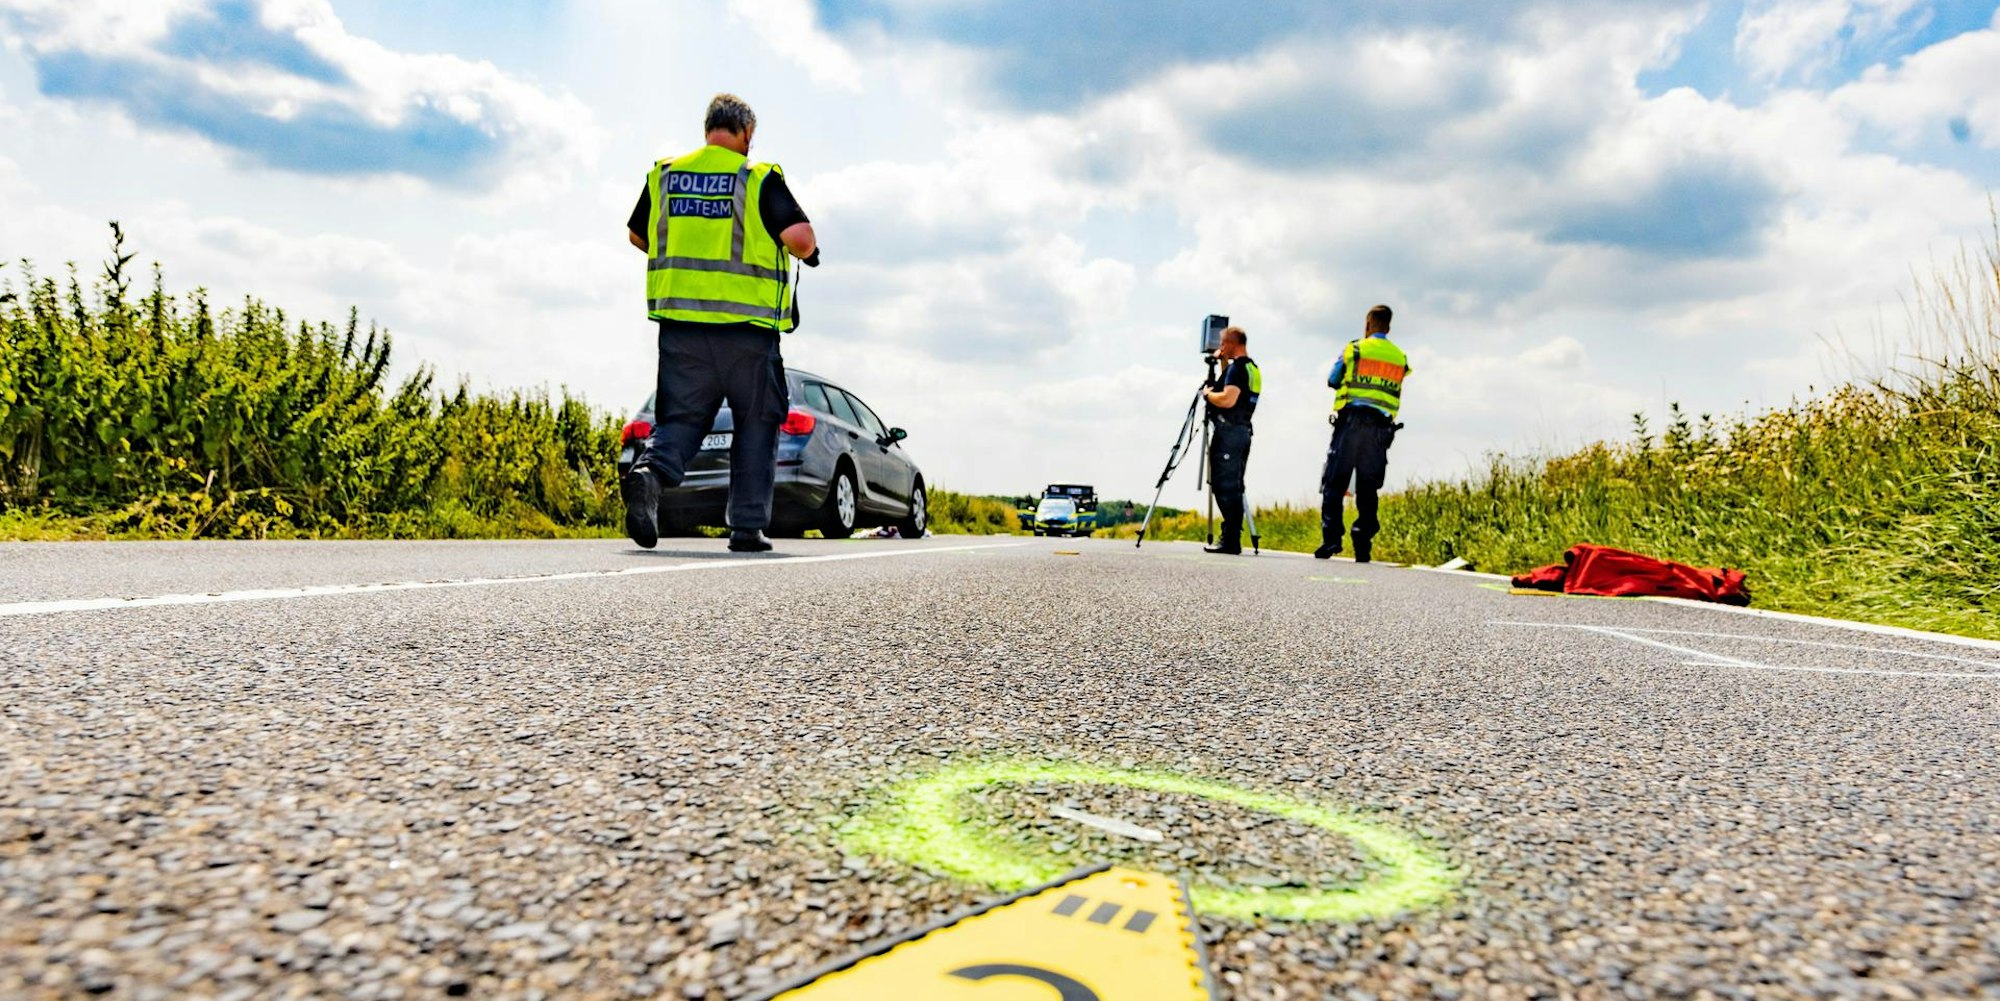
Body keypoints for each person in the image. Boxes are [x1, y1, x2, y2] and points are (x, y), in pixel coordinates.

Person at [623, 93, 819, 553]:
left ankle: (650, 474)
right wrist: (805, 253)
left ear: (707, 129)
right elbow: (800, 239)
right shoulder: (756, 177)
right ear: (746, 133)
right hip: (747, 329)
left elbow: (637, 234)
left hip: (681, 324)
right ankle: (747, 527)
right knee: (757, 420)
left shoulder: (666, 174)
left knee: (681, 418)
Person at [1317, 304, 1408, 563]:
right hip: (1380, 430)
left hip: (1351, 424)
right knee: (1368, 486)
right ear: (1388, 327)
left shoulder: (1355, 349)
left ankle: (1332, 539)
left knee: (1335, 482)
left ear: (1367, 325)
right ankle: (1362, 543)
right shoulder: (1399, 357)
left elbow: (1333, 379)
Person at [1201, 326, 1260, 555]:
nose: (1220, 347)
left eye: (1223, 343)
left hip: (1230, 433)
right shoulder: (1251, 368)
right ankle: (1231, 537)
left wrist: (1208, 395)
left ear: (1233, 343)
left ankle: (1231, 539)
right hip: (1242, 431)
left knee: (1225, 486)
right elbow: (1234, 385)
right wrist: (1223, 362)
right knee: (1233, 484)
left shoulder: (1238, 369)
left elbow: (1228, 399)